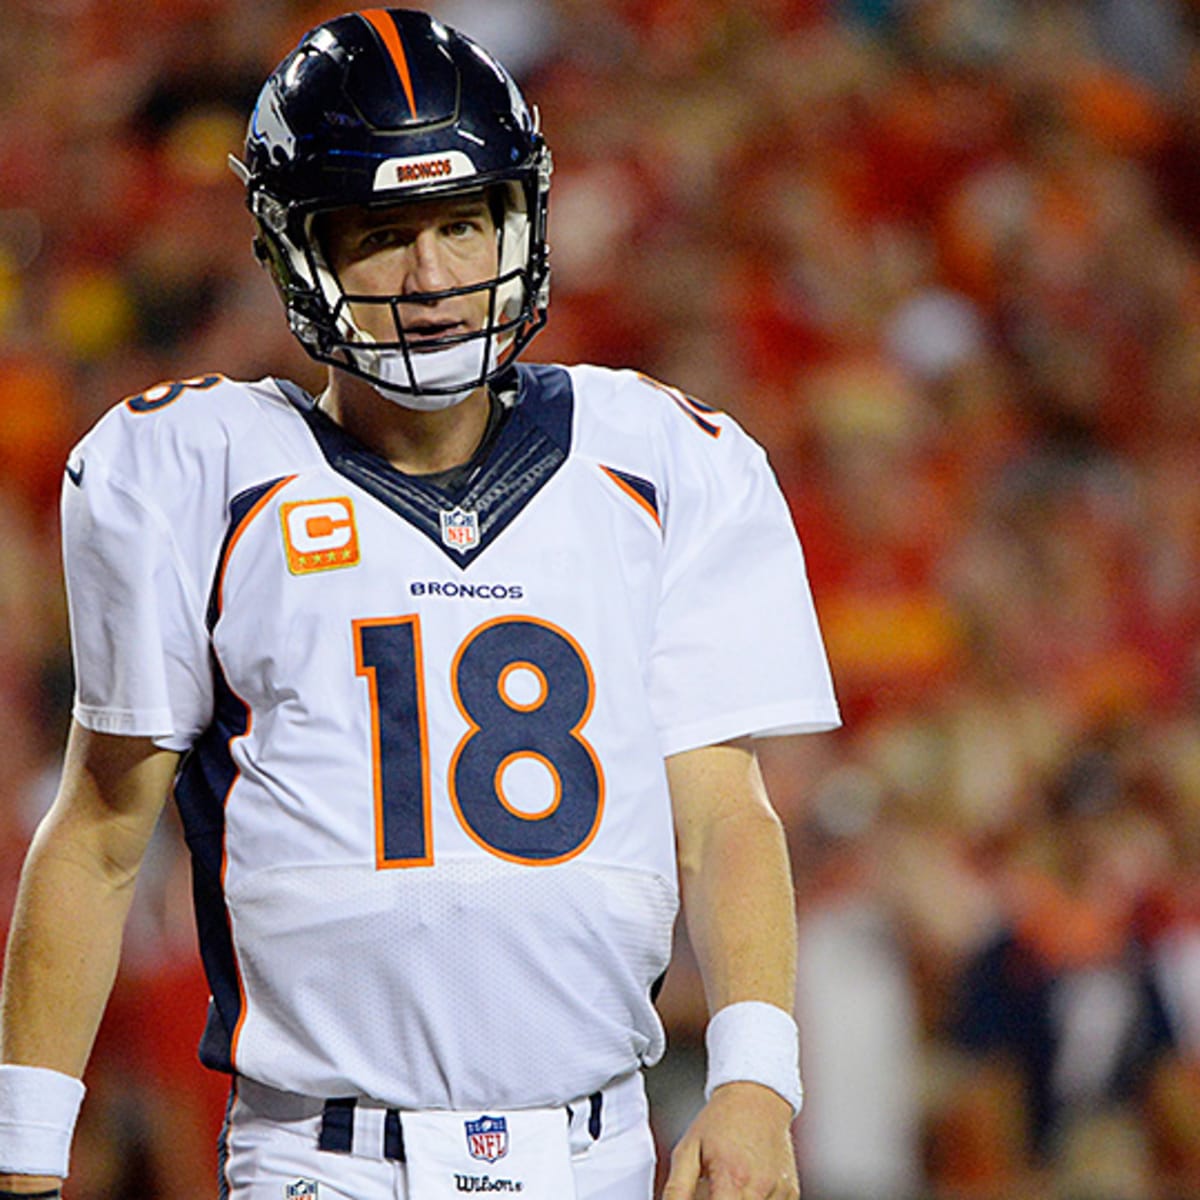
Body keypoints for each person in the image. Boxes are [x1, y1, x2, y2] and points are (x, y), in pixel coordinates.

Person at [0, 9, 839, 1199]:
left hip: (594, 1148)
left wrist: (755, 1079)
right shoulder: (194, 476)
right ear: (300, 252)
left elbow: (725, 816)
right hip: (316, 1158)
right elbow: (95, 837)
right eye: (384, 235)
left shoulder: (661, 459)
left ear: (523, 220)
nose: (435, 277)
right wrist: (25, 1155)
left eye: (463, 223)